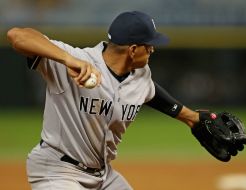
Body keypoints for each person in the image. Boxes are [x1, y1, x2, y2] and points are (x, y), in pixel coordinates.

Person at [7, 11, 201, 190]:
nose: (152, 49)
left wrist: (192, 118)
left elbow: (153, 94)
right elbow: (17, 36)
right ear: (133, 50)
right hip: (57, 170)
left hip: (103, 176)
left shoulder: (141, 76)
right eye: (149, 44)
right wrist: (67, 60)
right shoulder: (76, 61)